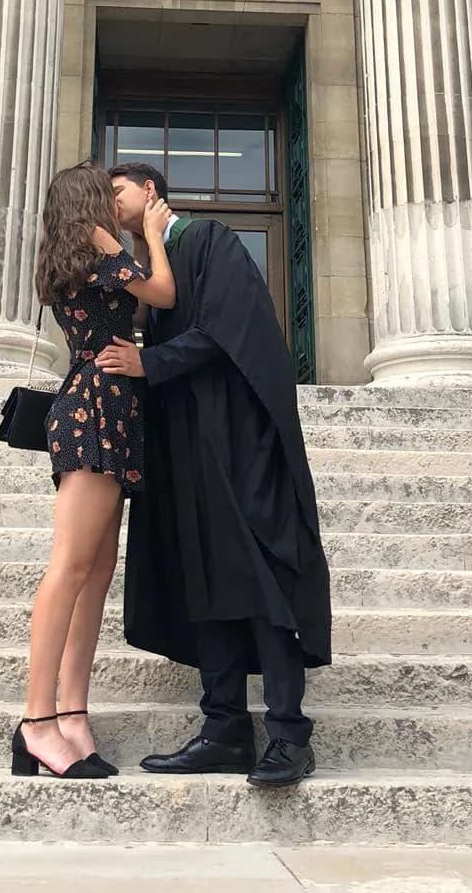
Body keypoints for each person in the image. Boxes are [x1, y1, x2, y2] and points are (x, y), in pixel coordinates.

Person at [95, 162, 332, 789]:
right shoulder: (148, 265)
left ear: (150, 191)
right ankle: (224, 728)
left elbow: (230, 332)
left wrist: (149, 362)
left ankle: (289, 733)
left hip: (236, 442)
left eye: (115, 191)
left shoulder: (207, 239)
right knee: (204, 579)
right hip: (184, 446)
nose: (108, 202)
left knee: (260, 576)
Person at [12, 160, 175, 781]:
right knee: (72, 567)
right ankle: (36, 723)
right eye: (105, 193)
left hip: (106, 408)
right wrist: (152, 236)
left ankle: (73, 715)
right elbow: (162, 294)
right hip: (94, 408)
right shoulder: (98, 242)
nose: (114, 201)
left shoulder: (70, 250)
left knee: (96, 571)